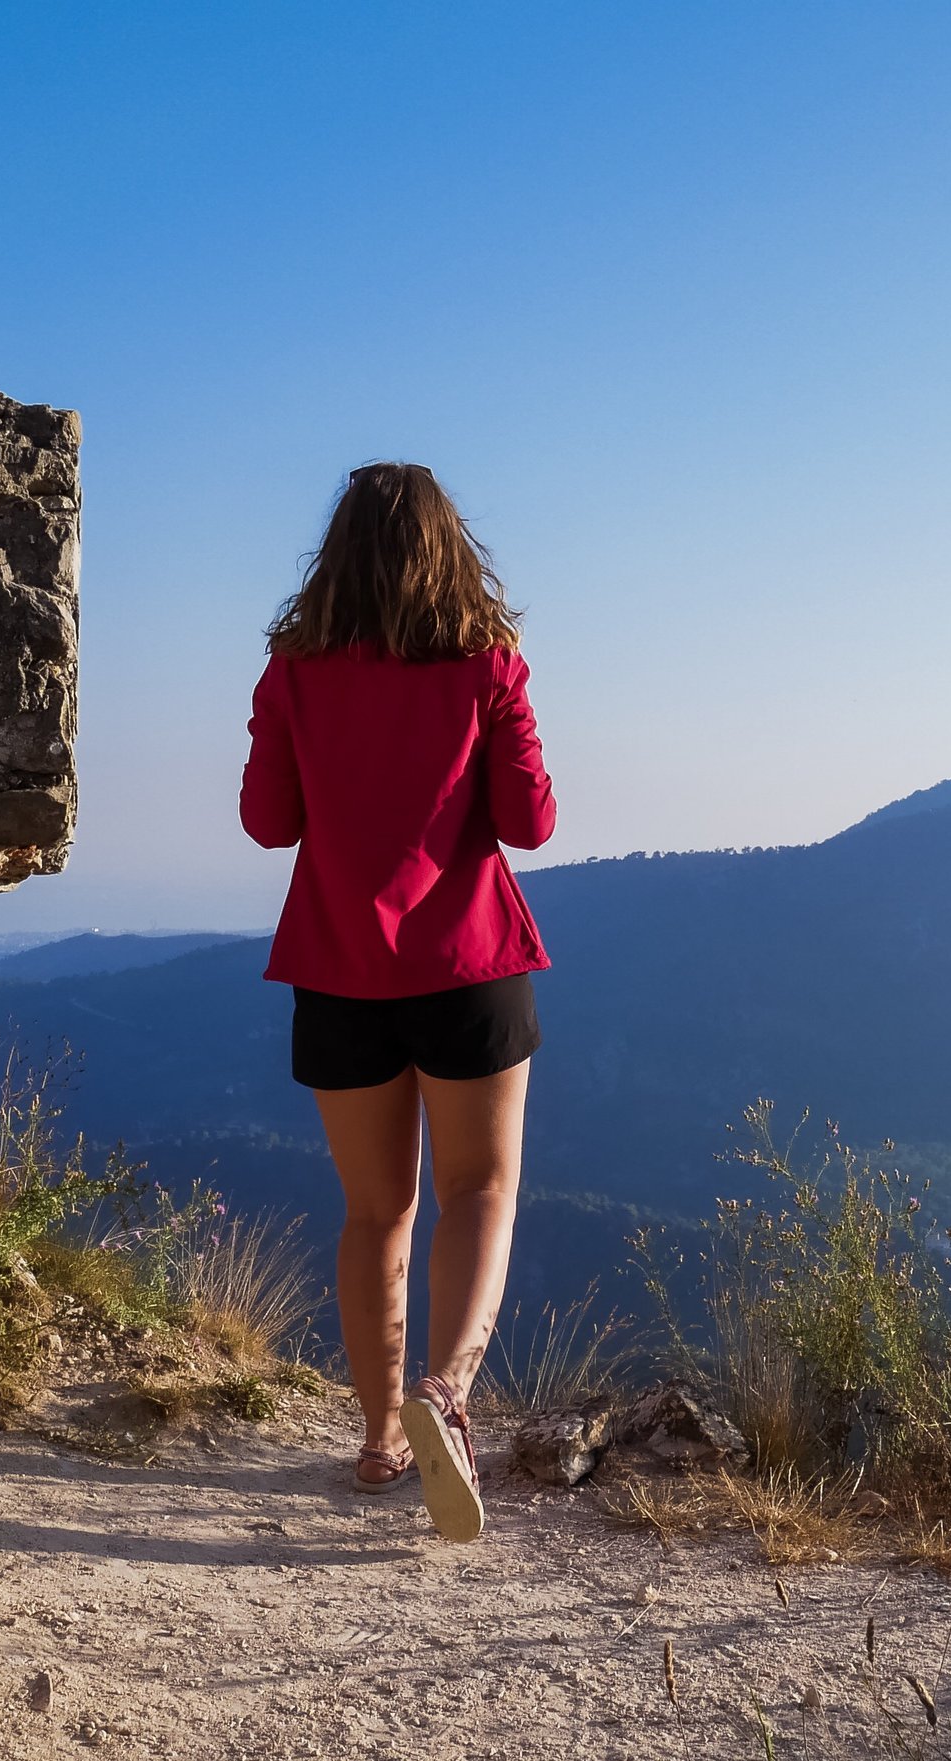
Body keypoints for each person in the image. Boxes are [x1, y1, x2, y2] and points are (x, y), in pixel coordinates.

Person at [239, 463, 556, 1544]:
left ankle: (379, 1441)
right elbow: (529, 824)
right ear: (449, 550)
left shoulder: (293, 675)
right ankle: (447, 1392)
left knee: (376, 1211)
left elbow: (266, 824)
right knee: (480, 1189)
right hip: (468, 966)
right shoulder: (485, 668)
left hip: (337, 973)